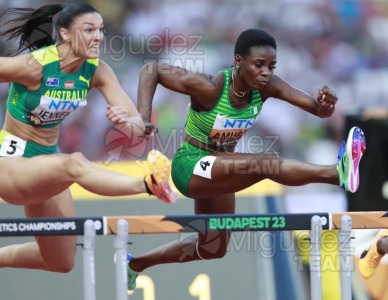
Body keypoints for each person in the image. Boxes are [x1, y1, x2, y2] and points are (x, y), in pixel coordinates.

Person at [121, 28, 367, 290]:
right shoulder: (210, 87)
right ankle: (337, 173)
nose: (266, 72)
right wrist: (144, 117)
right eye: (259, 65)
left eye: (272, 66)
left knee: (213, 247)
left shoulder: (268, 87)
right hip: (190, 164)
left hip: (220, 167)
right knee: (264, 162)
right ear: (238, 61)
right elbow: (151, 71)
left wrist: (325, 105)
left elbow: (317, 110)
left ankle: (134, 264)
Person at [0, 2, 178, 273]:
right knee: (75, 163)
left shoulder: (97, 71)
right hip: (12, 164)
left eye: (101, 30)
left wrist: (127, 121)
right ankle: (148, 185)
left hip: (46, 164)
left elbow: (138, 126)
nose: (98, 36)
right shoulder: (33, 67)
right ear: (65, 34)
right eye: (89, 29)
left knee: (60, 261)